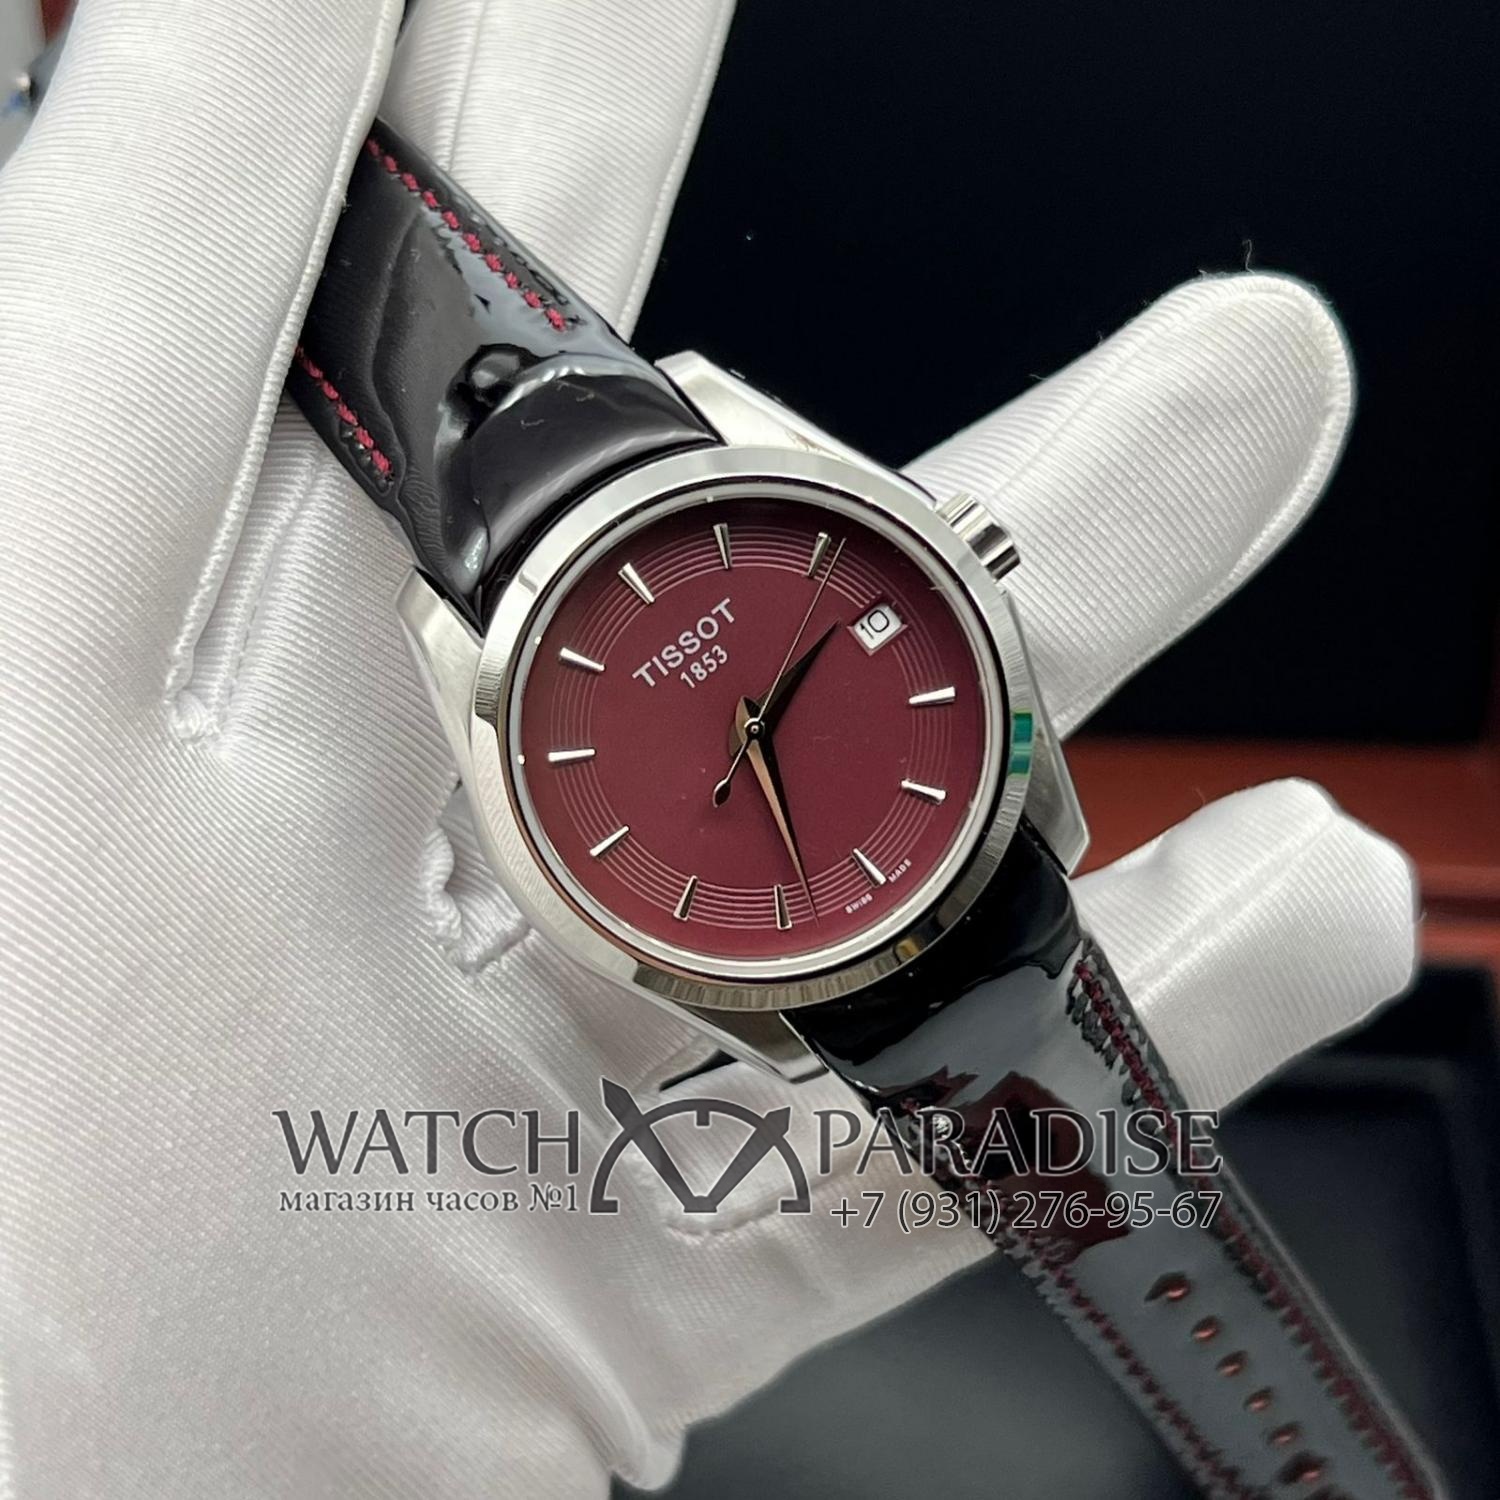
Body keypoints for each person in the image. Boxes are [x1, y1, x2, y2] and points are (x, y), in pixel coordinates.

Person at [0, 0, 1415, 1494]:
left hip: (929, 847)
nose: (746, 726)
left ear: (951, 565)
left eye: (763, 711)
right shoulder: (503, 705)